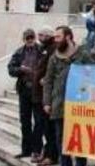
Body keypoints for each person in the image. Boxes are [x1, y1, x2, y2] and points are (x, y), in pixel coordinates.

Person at [42, 26, 86, 166]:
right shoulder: (54, 57)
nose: (55, 40)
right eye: (54, 37)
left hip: (79, 105)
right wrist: (47, 102)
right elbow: (48, 80)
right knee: (62, 142)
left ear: (68, 37)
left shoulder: (82, 53)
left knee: (80, 142)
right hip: (59, 105)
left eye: (58, 37)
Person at [8, 29, 43, 159]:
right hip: (24, 89)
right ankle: (26, 149)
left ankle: (37, 150)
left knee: (39, 121)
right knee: (25, 121)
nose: (29, 40)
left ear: (35, 38)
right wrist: (20, 70)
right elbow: (10, 69)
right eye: (27, 38)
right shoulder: (19, 52)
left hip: (38, 90)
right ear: (24, 39)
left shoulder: (41, 50)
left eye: (31, 37)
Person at [32, 28, 56, 165]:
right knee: (44, 127)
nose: (39, 37)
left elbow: (50, 69)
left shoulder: (52, 48)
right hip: (39, 94)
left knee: (49, 128)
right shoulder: (42, 49)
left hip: (45, 93)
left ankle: (51, 155)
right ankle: (46, 153)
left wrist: (45, 79)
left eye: (41, 34)